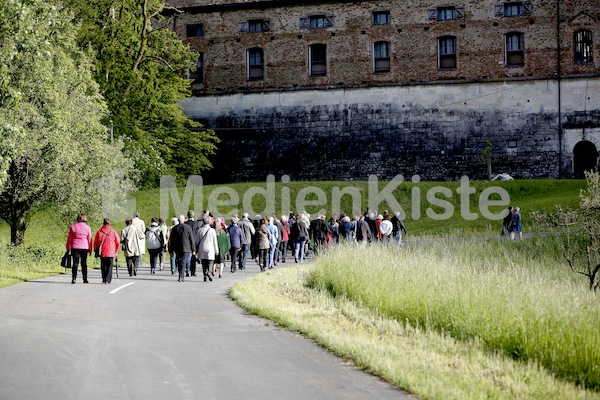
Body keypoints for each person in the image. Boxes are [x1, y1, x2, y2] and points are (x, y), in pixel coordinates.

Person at [66, 213, 92, 284]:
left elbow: (69, 239)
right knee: (84, 264)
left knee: (75, 263)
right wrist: (90, 249)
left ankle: (74, 278)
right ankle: (85, 278)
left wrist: (68, 248)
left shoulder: (73, 226)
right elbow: (89, 239)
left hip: (75, 247)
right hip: (84, 247)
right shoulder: (87, 227)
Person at [168, 215, 195, 282]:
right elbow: (191, 239)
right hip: (186, 247)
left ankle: (181, 275)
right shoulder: (188, 227)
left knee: (180, 261)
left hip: (177, 248)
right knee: (182, 261)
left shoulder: (174, 228)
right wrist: (193, 249)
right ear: (183, 220)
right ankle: (181, 276)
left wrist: (171, 250)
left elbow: (171, 240)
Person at [93, 218, 120, 284]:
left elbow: (95, 242)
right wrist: (116, 250)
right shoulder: (113, 232)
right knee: (109, 266)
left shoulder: (99, 232)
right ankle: (108, 279)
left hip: (102, 251)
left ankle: (104, 278)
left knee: (103, 266)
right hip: (111, 252)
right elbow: (118, 242)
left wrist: (95, 249)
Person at [195, 216, 218, 282]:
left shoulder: (199, 230)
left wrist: (196, 250)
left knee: (204, 263)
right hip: (210, 248)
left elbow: (197, 241)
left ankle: (204, 275)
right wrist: (216, 250)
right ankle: (209, 272)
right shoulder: (212, 230)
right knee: (210, 262)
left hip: (202, 248)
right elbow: (215, 241)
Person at [185, 210, 198, 276]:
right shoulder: (196, 224)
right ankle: (193, 271)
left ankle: (187, 270)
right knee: (193, 257)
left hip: (187, 241)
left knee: (187, 256)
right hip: (194, 241)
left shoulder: (185, 223)